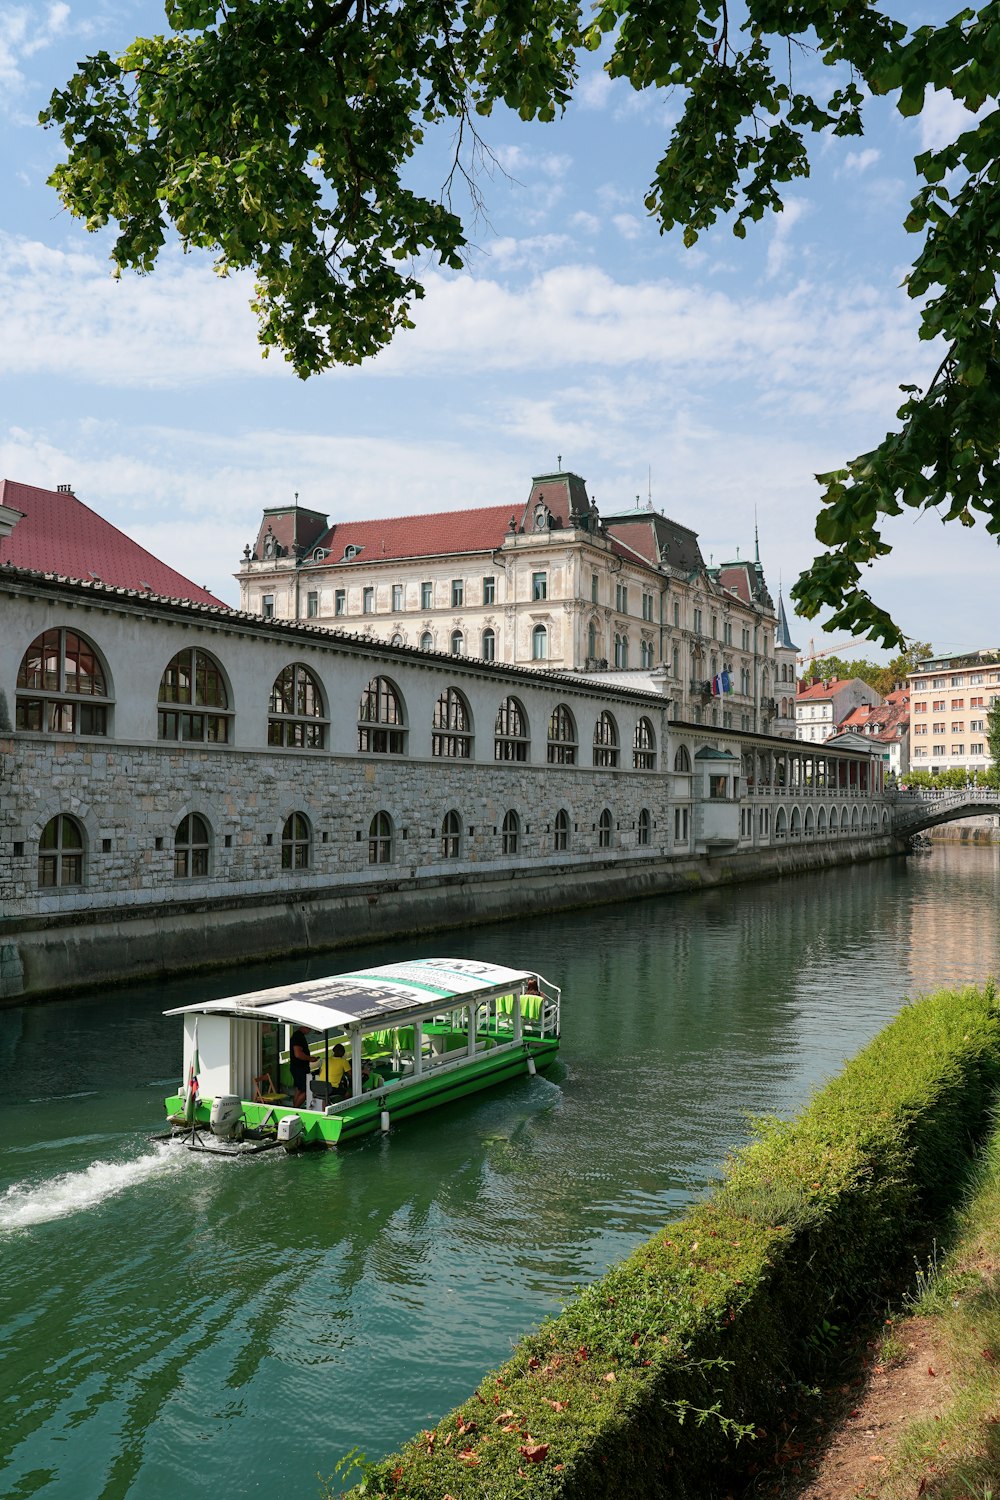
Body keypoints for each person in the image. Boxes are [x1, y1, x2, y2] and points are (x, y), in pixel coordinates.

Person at [289, 1026, 313, 1108]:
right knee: (307, 1090)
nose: (310, 1030)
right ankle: (295, 1108)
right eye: (309, 1028)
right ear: (303, 1027)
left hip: (298, 1067)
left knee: (299, 1089)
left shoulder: (298, 1036)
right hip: (300, 1068)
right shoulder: (298, 1037)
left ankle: (294, 1107)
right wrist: (310, 1059)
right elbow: (298, 1054)